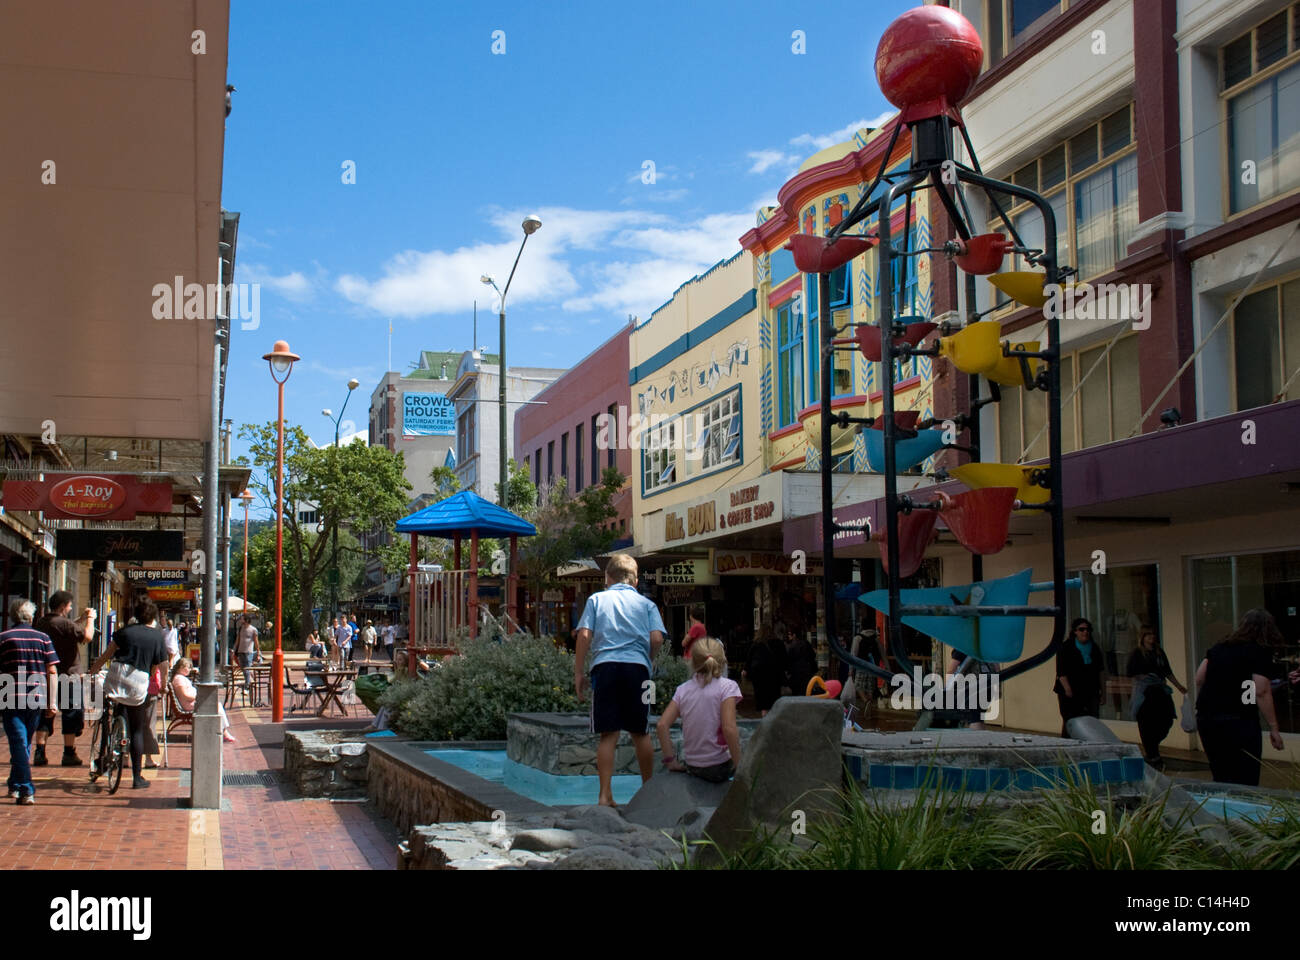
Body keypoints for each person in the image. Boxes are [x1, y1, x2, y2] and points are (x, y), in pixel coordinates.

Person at [573, 553, 665, 808]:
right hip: (639, 671)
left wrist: (578, 672)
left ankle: (605, 795)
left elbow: (583, 635)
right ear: (635, 581)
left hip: (605, 668)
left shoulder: (597, 599)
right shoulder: (647, 604)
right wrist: (647, 658)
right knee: (641, 732)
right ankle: (647, 792)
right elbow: (657, 638)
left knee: (608, 735)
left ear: (607, 578)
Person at [1195, 608, 1286, 786]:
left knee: (1221, 774)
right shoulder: (1258, 651)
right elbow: (1261, 691)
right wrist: (1274, 727)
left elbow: (1199, 678)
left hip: (1208, 718)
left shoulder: (1219, 647)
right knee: (1246, 775)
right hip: (1239, 719)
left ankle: (1223, 808)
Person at [89, 599, 168, 789]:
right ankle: (136, 778)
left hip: (116, 675)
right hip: (138, 680)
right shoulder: (157, 637)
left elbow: (106, 655)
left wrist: (92, 671)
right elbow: (163, 666)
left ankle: (110, 742)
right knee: (137, 729)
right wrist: (163, 685)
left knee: (115, 709)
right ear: (153, 617)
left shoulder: (124, 632)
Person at [657, 637, 742, 782]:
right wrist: (740, 765)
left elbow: (662, 725)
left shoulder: (682, 690)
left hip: (693, 766)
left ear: (693, 661)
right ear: (722, 660)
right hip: (719, 766)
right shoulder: (727, 687)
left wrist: (671, 760)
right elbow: (729, 728)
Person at [1, 599, 59, 805]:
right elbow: (52, 670)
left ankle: (22, 787)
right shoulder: (43, 638)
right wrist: (52, 701)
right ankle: (20, 786)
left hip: (10, 698)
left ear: (12, 617)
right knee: (22, 743)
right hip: (36, 698)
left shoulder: (4, 638)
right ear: (31, 617)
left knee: (19, 742)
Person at [31, 591, 94, 767]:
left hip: (45, 675)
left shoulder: (42, 623)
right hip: (68, 675)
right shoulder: (65, 624)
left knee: (45, 713)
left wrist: (79, 620)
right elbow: (87, 636)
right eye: (69, 605)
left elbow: (65, 629)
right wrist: (90, 619)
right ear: (62, 607)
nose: (70, 607)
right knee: (71, 713)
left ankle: (40, 752)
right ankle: (68, 752)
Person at [1126, 627, 1187, 769]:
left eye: (1153, 634)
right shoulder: (1137, 653)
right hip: (1145, 691)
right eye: (1148, 635)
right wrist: (1145, 677)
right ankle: (1152, 754)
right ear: (1143, 637)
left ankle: (1153, 747)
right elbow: (1131, 672)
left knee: (1166, 720)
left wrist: (1179, 686)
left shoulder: (1159, 653)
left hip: (1160, 690)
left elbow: (1167, 672)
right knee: (1147, 724)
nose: (1151, 637)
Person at [1055, 617, 1106, 736]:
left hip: (1090, 690)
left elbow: (1101, 671)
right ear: (1075, 632)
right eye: (1081, 629)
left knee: (1092, 720)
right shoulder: (1066, 647)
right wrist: (1067, 689)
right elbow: (1061, 671)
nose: (1085, 632)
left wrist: (1103, 693)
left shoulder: (1094, 648)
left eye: (1087, 629)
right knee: (1071, 720)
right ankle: (1067, 747)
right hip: (1070, 691)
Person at [171, 658, 236, 743]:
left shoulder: (180, 678)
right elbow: (184, 695)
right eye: (187, 667)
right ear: (181, 667)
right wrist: (199, 697)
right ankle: (224, 731)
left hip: (192, 702)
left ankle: (222, 730)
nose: (189, 670)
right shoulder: (179, 679)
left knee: (216, 705)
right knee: (216, 706)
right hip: (190, 704)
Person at [742, 626, 785, 716]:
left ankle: (764, 719)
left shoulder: (756, 644)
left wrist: (746, 670)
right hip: (774, 676)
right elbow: (784, 659)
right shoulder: (779, 644)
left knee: (763, 702)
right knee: (774, 699)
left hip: (759, 677)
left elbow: (749, 659)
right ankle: (774, 719)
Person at [783, 624, 818, 698]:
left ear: (794, 635)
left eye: (790, 634)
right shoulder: (806, 643)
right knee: (806, 692)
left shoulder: (791, 646)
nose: (788, 636)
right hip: (806, 671)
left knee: (797, 693)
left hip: (795, 673)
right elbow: (812, 656)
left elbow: (788, 661)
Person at [235, 616, 262, 704]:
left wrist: (258, 652)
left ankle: (246, 687)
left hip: (248, 651)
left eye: (242, 619)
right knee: (244, 669)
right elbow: (237, 640)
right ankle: (249, 682)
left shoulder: (253, 629)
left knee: (247, 669)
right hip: (240, 651)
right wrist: (234, 649)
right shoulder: (240, 629)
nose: (240, 620)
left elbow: (256, 641)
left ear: (246, 620)